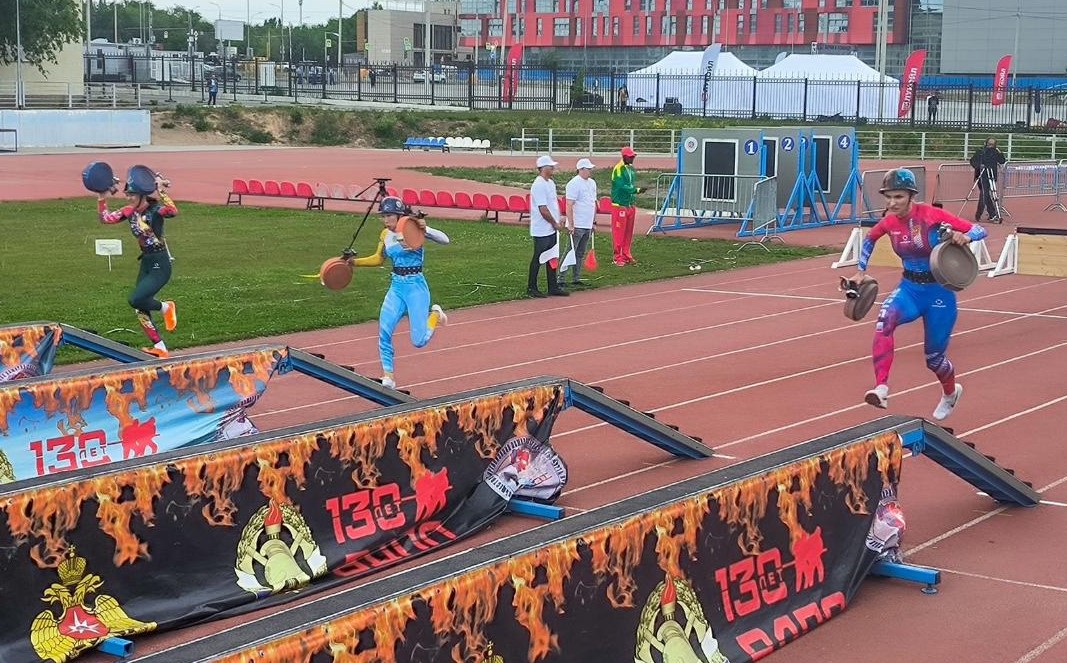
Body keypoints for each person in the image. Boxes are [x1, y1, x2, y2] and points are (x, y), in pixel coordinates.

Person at [850, 168, 988, 421]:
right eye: (888, 197)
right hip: (909, 290)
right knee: (884, 321)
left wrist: (966, 237)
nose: (892, 203)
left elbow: (980, 230)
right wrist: (861, 271)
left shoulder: (931, 214)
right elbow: (869, 239)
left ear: (911, 196)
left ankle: (950, 393)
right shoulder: (889, 222)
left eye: (899, 197)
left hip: (939, 294)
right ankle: (881, 389)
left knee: (934, 359)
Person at [352, 196, 450, 389]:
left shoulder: (412, 228)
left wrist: (425, 229)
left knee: (419, 341)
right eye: (383, 216)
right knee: (384, 330)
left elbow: (445, 240)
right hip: (396, 286)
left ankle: (435, 315)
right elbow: (378, 259)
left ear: (398, 215)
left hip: (416, 286)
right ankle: (388, 376)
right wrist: (353, 262)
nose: (385, 220)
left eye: (389, 215)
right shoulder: (384, 235)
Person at [98, 170, 179, 358]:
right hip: (146, 262)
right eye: (127, 194)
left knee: (136, 299)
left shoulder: (155, 211)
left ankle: (167, 308)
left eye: (132, 194)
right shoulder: (128, 211)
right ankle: (160, 347)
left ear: (142, 195)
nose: (129, 197)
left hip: (160, 263)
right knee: (140, 307)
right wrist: (102, 197)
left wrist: (161, 191)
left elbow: (172, 211)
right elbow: (105, 218)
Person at [528, 155, 569, 298]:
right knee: (539, 257)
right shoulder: (538, 185)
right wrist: (554, 223)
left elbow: (553, 204)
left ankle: (553, 286)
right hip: (541, 229)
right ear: (543, 168)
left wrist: (559, 217)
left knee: (552, 256)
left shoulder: (550, 183)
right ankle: (532, 287)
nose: (553, 169)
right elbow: (543, 209)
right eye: (550, 166)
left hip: (552, 228)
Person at [563, 158, 598, 287]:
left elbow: (593, 203)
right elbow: (569, 205)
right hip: (577, 224)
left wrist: (593, 222)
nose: (590, 171)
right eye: (588, 169)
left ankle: (576, 277)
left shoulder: (592, 183)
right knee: (570, 250)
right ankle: (561, 277)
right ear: (581, 169)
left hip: (587, 224)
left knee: (580, 252)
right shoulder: (574, 183)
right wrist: (571, 224)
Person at [609, 146, 642, 267]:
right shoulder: (618, 169)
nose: (632, 159)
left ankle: (626, 254)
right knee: (619, 233)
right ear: (624, 157)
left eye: (633, 157)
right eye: (630, 157)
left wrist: (633, 197)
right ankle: (617, 257)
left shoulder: (631, 169)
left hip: (629, 204)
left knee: (628, 232)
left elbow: (630, 184)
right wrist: (636, 190)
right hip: (619, 205)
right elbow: (621, 186)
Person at [968, 137, 1006, 223]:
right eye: (989, 144)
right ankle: (991, 213)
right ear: (986, 143)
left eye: (992, 144)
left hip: (991, 176)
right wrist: (979, 166)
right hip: (981, 175)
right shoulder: (981, 151)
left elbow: (1002, 161)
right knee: (985, 195)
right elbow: (973, 161)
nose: (990, 146)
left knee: (984, 194)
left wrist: (1000, 153)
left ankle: (982, 214)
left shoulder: (995, 152)